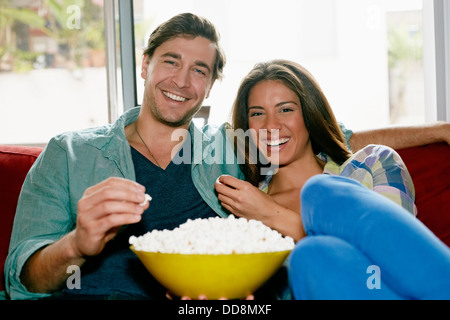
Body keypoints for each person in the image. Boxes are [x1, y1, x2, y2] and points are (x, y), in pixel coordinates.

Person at [4, 13, 449, 300]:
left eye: (199, 69)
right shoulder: (70, 153)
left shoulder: (229, 146)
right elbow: (20, 280)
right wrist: (76, 245)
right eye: (170, 61)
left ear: (212, 84)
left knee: (325, 208)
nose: (181, 79)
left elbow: (321, 135)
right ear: (145, 65)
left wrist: (441, 131)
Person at [214, 59, 450, 299]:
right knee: (310, 257)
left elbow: (394, 260)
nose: (271, 126)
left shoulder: (371, 164)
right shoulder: (244, 214)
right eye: (257, 114)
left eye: (285, 109)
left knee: (320, 194)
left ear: (310, 114)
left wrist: (273, 215)